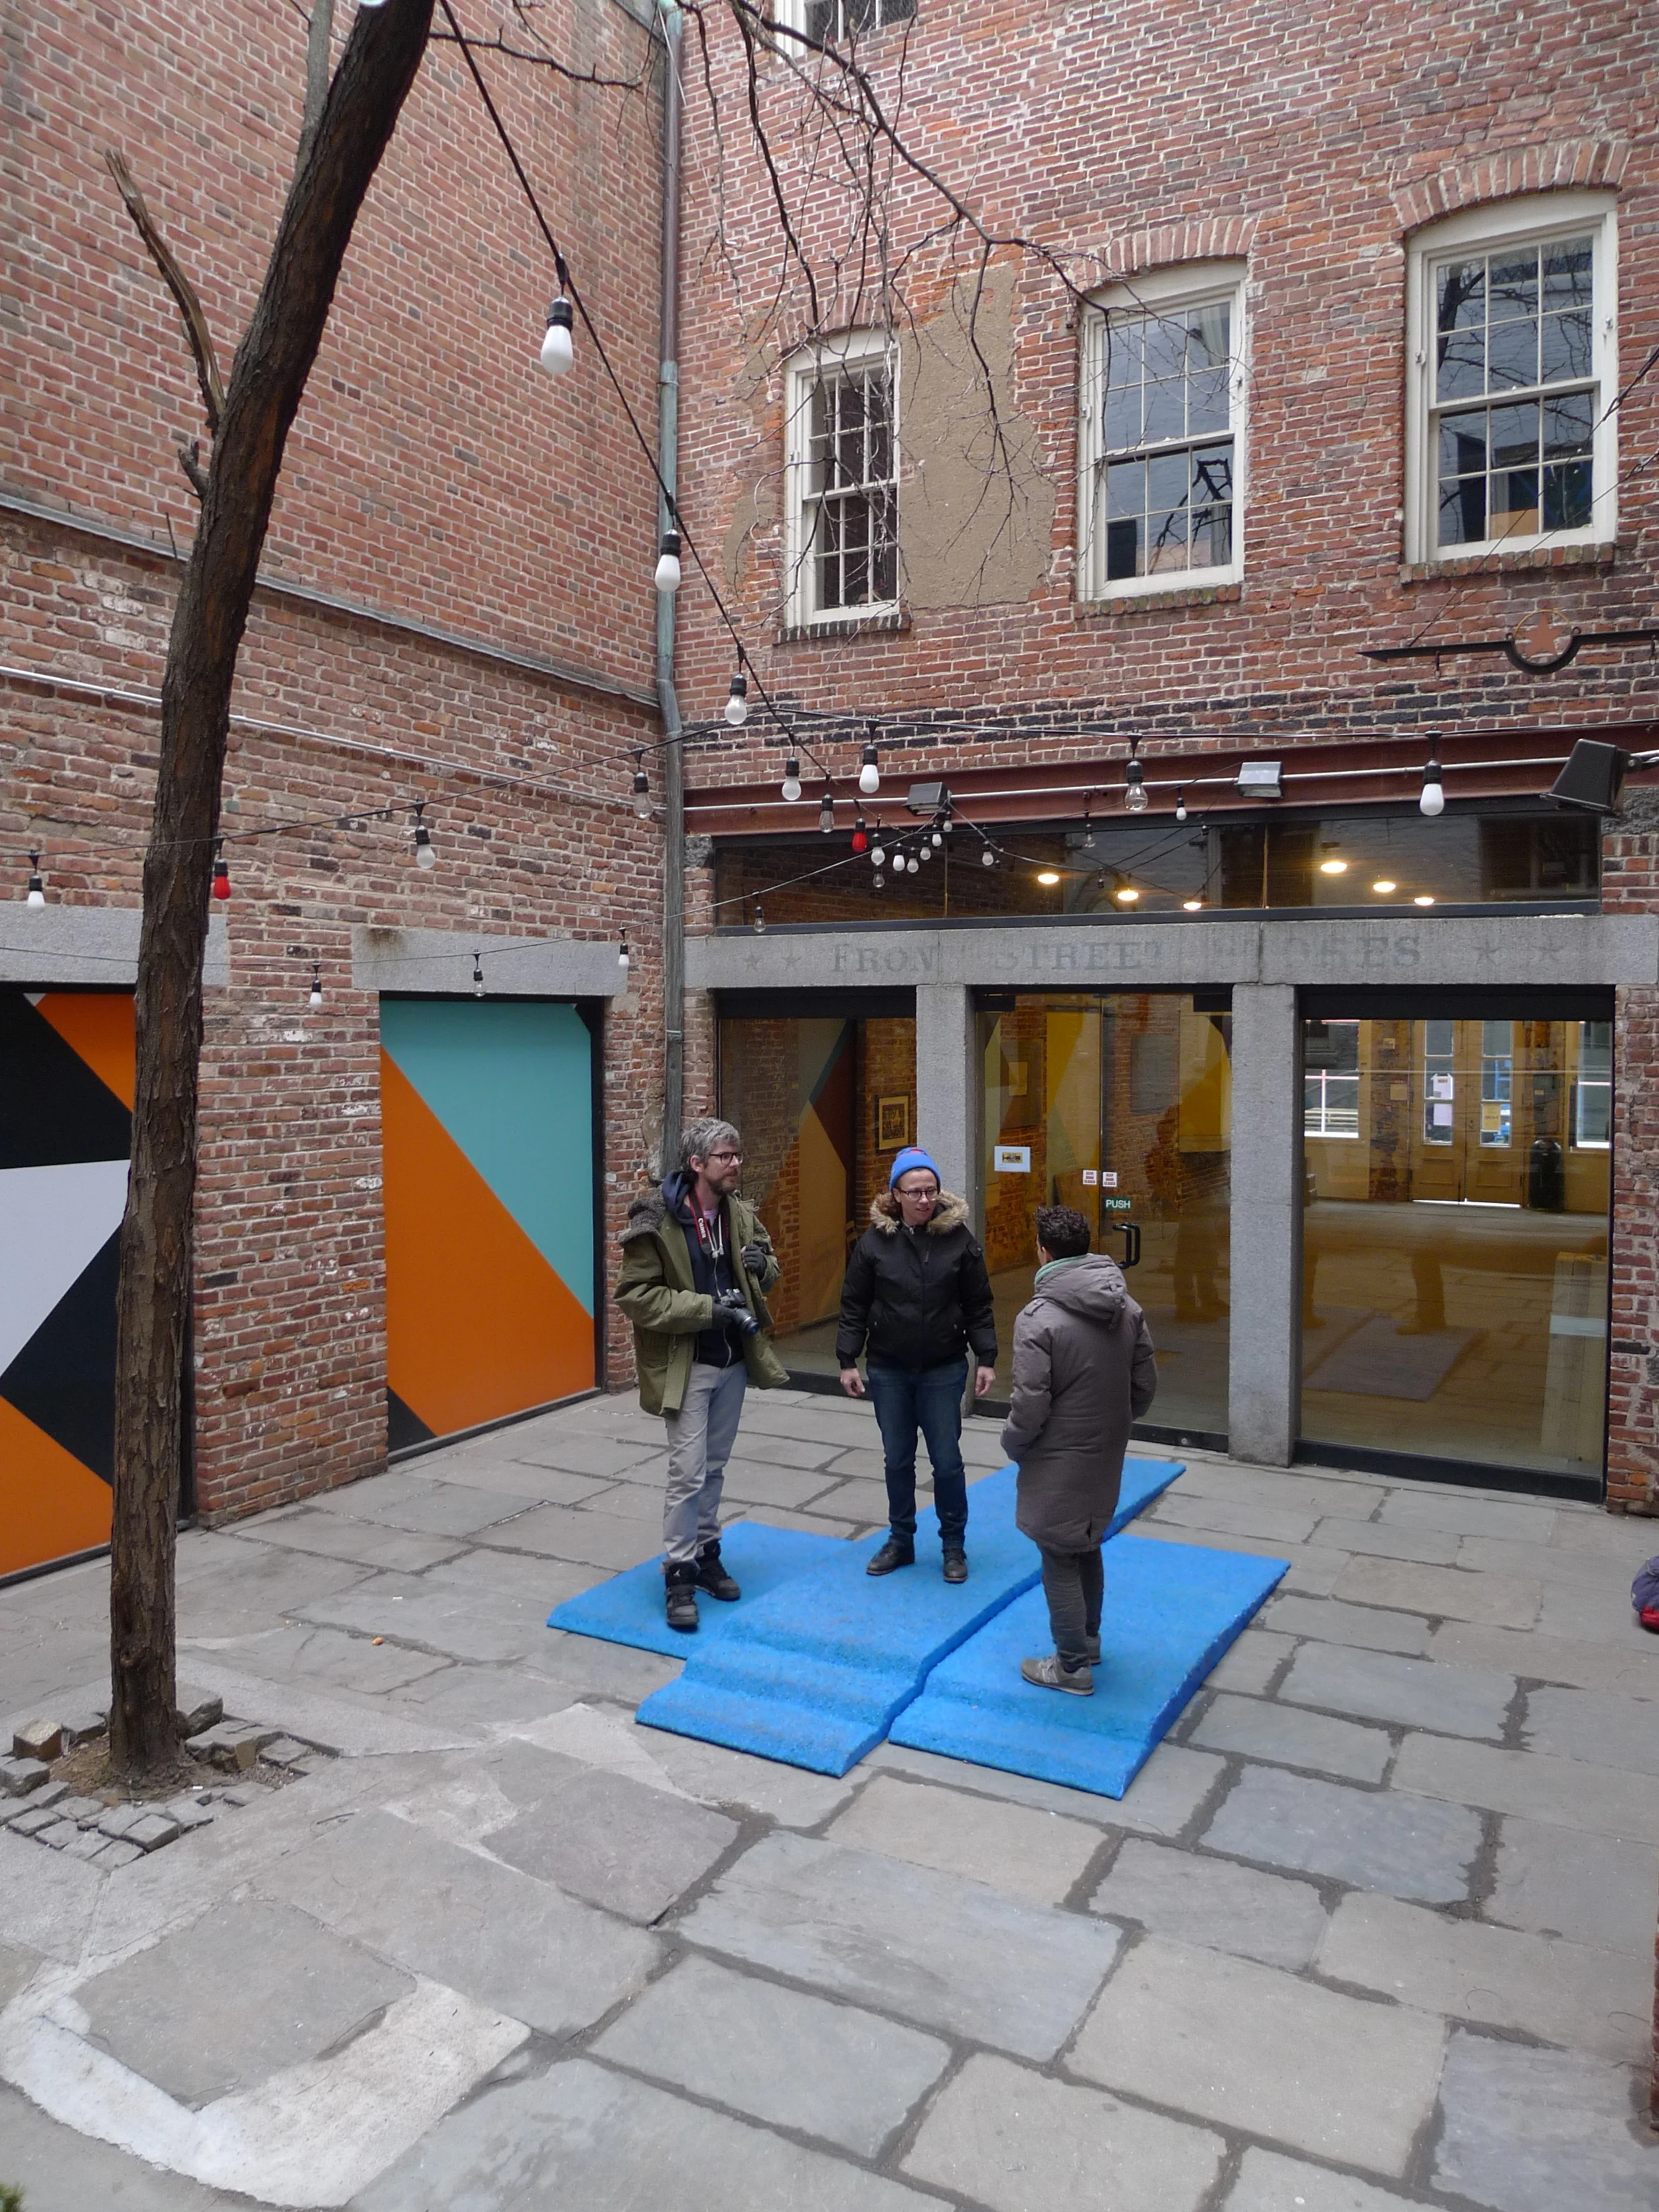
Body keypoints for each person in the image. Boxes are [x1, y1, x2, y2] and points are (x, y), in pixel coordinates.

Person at [616, 1118, 786, 1632]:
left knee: (714, 1466)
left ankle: (707, 1554)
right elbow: (636, 1296)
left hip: (732, 1361)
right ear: (696, 1164)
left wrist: (762, 1266)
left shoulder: (740, 1213)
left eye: (737, 1155)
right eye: (725, 1156)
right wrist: (707, 1311)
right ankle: (679, 1572)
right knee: (687, 1472)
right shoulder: (656, 1220)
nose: (736, 1163)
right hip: (687, 1365)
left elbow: (770, 1270)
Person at [1001, 1204, 1157, 1695]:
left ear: (1043, 1252)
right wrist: (1115, 1421)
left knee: (1058, 1553)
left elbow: (1030, 1401)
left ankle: (1070, 1666)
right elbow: (1144, 1384)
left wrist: (1014, 1442)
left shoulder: (1039, 1319)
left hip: (1058, 1450)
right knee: (1086, 1541)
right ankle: (1088, 1642)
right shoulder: (1126, 1307)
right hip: (1106, 1445)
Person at [836, 1147, 997, 1583]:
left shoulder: (959, 1239)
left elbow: (978, 1303)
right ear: (897, 1194)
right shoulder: (874, 1243)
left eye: (931, 1190)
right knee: (897, 1460)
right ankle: (901, 1540)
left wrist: (986, 1356)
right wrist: (847, 1358)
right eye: (916, 1192)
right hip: (889, 1369)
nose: (925, 1199)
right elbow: (854, 1304)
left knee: (947, 1461)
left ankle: (953, 1546)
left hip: (944, 1368)